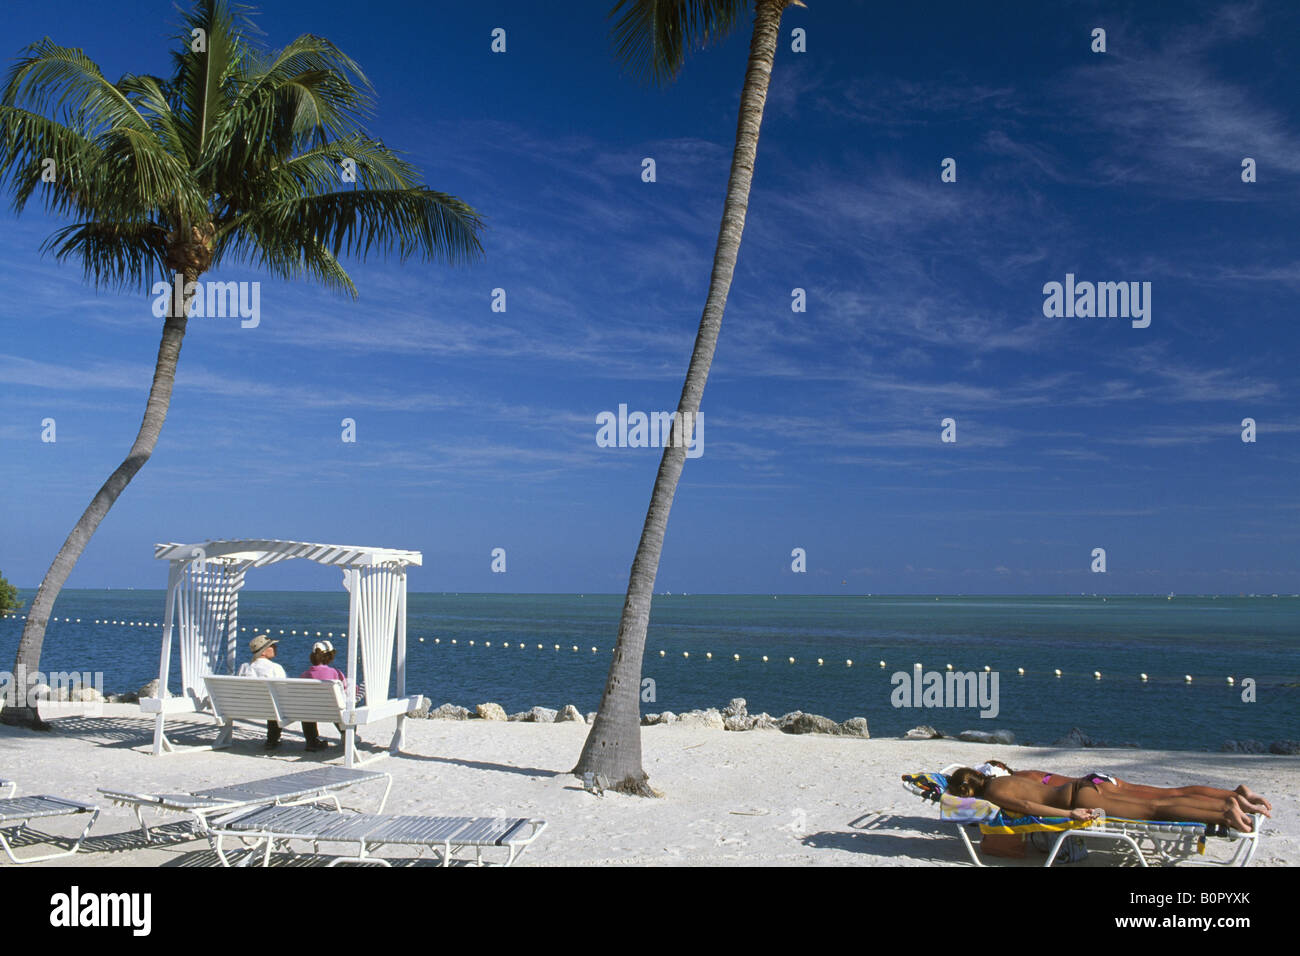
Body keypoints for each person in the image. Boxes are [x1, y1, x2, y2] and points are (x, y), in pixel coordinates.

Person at [947, 767, 1263, 832]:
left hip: (1077, 798)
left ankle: (1225, 811)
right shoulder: (1005, 777)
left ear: (965, 790)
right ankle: (1230, 800)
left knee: (1155, 809)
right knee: (1162, 798)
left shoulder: (994, 792)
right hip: (1089, 783)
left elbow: (1030, 808)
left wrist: (1071, 816)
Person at [978, 759, 1273, 815]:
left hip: (1087, 789)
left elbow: (1030, 806)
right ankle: (1236, 793)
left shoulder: (1023, 778)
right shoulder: (1026, 775)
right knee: (1170, 793)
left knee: (1161, 803)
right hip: (1097, 780)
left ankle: (1229, 804)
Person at [237, 634, 285, 748]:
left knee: (270, 703)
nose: (275, 648)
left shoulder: (244, 667)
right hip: (271, 708)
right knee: (275, 704)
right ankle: (272, 739)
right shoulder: (275, 668)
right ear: (263, 652)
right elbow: (284, 690)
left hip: (245, 708)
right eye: (272, 646)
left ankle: (272, 740)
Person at [299, 641, 348, 752]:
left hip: (311, 712)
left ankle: (311, 741)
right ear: (330, 656)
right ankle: (346, 733)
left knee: (306, 710)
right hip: (332, 711)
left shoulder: (304, 674)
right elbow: (344, 690)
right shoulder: (335, 673)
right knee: (341, 705)